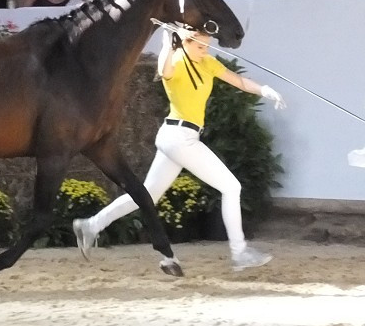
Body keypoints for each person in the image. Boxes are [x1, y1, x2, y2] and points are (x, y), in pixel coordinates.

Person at [72, 24, 285, 273]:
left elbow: (237, 80)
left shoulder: (208, 63)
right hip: (180, 137)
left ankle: (91, 225)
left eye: (207, 44)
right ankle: (239, 252)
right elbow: (164, 70)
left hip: (178, 137)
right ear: (185, 41)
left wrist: (265, 90)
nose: (205, 49)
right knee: (231, 187)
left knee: (148, 195)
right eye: (199, 44)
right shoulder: (178, 60)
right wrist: (167, 45)